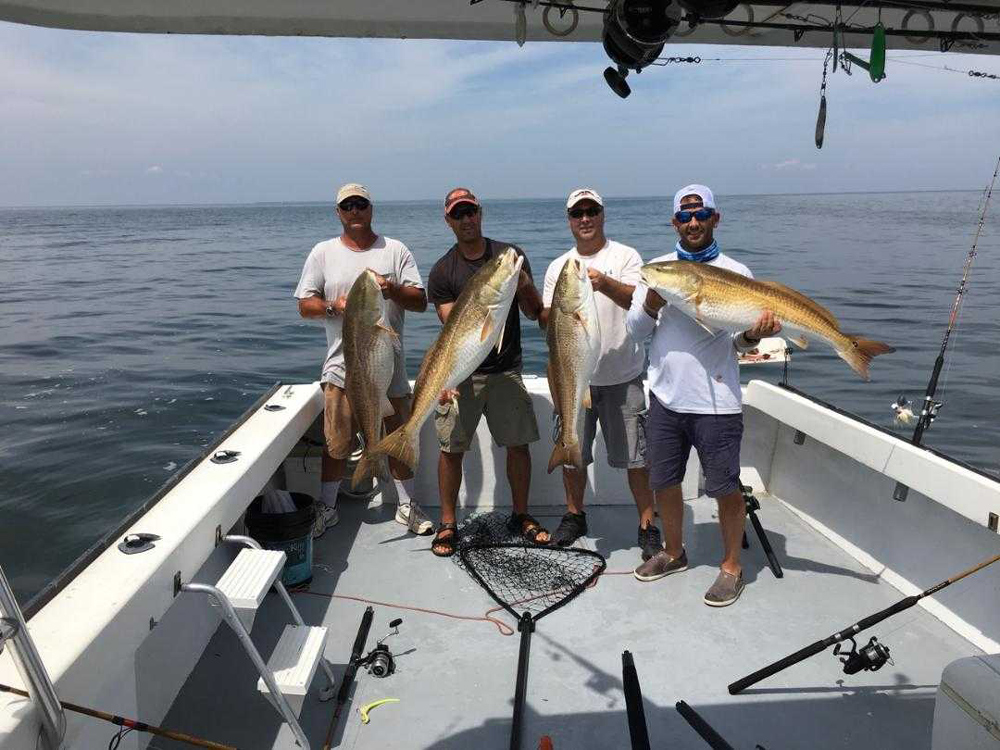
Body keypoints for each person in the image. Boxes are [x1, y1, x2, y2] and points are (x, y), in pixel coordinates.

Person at [626, 184, 781, 606]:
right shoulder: (658, 270)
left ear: (715, 218)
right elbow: (635, 332)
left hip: (717, 402)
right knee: (664, 482)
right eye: (684, 216)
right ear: (674, 222)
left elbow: (738, 343)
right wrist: (653, 300)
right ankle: (674, 552)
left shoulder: (737, 272)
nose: (692, 222)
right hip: (665, 398)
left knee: (725, 487)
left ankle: (731, 567)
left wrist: (754, 334)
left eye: (700, 214)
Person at [294, 183, 433, 538]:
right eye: (347, 205)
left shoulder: (395, 250)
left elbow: (420, 301)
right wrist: (332, 306)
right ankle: (328, 507)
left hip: (389, 365)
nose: (354, 210)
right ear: (338, 212)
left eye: (361, 204)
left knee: (398, 434)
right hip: (341, 368)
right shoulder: (323, 252)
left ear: (371, 208)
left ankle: (407, 505)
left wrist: (392, 289)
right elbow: (304, 305)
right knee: (337, 442)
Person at [426, 187, 547, 557]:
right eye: (458, 214)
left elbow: (534, 312)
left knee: (518, 445)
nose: (466, 219)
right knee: (451, 449)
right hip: (462, 374)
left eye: (471, 211)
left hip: (506, 370)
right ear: (448, 220)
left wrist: (523, 284)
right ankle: (448, 522)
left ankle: (521, 515)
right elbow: (453, 329)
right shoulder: (442, 271)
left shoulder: (509, 256)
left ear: (480, 213)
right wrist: (445, 379)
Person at [539, 189, 658, 560]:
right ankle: (574, 515)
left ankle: (647, 524)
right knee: (571, 451)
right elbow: (550, 321)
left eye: (591, 211)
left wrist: (605, 283)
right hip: (575, 377)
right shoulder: (559, 267)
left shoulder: (626, 257)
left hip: (623, 376)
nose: (585, 219)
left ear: (602, 214)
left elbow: (641, 304)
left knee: (637, 458)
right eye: (578, 213)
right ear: (569, 220)